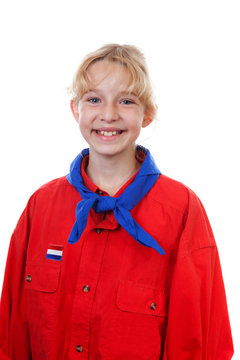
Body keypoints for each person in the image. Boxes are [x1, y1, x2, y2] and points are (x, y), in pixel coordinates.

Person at [0, 44, 234, 360]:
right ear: (75, 109)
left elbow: (201, 341)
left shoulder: (182, 211)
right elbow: (10, 334)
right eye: (94, 99)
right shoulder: (40, 206)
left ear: (147, 114)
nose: (108, 114)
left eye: (126, 101)